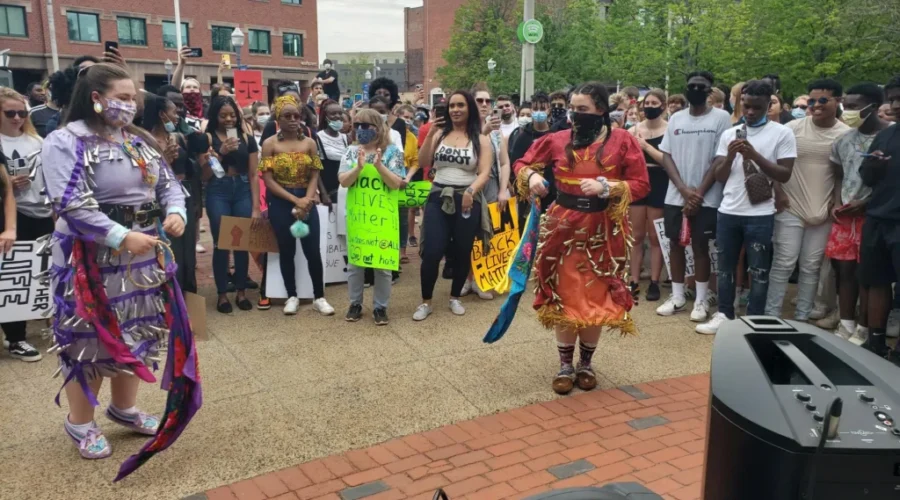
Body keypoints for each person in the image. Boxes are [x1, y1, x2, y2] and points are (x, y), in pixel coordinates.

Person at [41, 63, 198, 463]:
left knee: (138, 329)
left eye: (133, 99)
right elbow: (69, 202)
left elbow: (168, 184)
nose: (131, 106)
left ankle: (124, 408)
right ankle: (80, 421)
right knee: (87, 340)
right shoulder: (65, 141)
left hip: (142, 253)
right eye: (123, 98)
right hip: (90, 256)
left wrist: (176, 210)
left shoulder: (137, 140)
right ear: (96, 98)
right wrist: (118, 236)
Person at [514, 81, 650, 394]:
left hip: (604, 230)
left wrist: (609, 188)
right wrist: (532, 176)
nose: (575, 115)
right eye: (573, 109)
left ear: (601, 110)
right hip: (562, 227)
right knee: (564, 293)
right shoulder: (556, 138)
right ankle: (564, 365)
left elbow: (641, 184)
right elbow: (523, 163)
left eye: (582, 110)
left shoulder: (624, 140)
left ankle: (586, 364)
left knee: (596, 296)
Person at [696, 80, 797, 335]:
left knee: (759, 269)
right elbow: (719, 176)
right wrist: (730, 156)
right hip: (728, 211)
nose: (750, 112)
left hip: (760, 213)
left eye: (757, 108)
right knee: (725, 266)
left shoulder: (782, 133)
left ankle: (755, 319)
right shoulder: (730, 133)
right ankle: (724, 314)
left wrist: (755, 156)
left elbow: (784, 174)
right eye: (747, 106)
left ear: (768, 105)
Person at [765, 79, 850, 320]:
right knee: (783, 263)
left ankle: (802, 317)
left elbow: (841, 175)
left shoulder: (845, 135)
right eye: (812, 100)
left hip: (823, 210)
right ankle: (771, 315)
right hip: (789, 206)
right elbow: (775, 164)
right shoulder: (792, 128)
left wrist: (835, 202)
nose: (815, 105)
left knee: (811, 267)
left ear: (838, 101)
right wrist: (778, 192)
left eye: (823, 100)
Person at [656, 71, 732, 322]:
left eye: (701, 87)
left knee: (700, 247)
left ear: (709, 91)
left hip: (707, 197)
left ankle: (701, 299)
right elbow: (666, 155)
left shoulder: (721, 118)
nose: (696, 90)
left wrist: (697, 193)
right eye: (692, 86)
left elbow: (720, 158)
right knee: (676, 245)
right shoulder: (676, 118)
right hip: (676, 195)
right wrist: (683, 189)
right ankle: (678, 295)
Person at [414, 90, 492, 321]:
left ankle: (454, 297)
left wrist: (470, 191)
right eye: (451, 106)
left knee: (461, 250)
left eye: (460, 105)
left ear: (469, 108)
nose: (455, 110)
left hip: (467, 199)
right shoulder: (439, 135)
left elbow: (485, 172)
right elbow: (423, 163)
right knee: (432, 252)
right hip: (439, 196)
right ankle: (425, 301)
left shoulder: (481, 139)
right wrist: (431, 134)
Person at [825, 83, 890, 342]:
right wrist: (835, 201)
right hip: (844, 215)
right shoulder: (843, 140)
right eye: (846, 105)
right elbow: (839, 176)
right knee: (845, 271)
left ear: (872, 107)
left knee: (869, 274)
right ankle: (846, 323)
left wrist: (866, 202)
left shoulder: (888, 137)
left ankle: (865, 327)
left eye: (853, 107)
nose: (847, 111)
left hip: (874, 214)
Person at [260, 95, 334, 316]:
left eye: (297, 116)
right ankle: (291, 295)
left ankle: (319, 297)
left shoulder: (309, 143)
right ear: (278, 118)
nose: (293, 120)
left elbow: (315, 174)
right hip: (282, 202)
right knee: (286, 250)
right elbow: (268, 179)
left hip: (307, 199)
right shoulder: (269, 144)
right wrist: (295, 201)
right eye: (287, 116)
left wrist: (307, 200)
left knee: (313, 251)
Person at [339, 109, 406, 324]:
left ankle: (380, 307)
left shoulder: (392, 152)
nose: (360, 130)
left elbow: (396, 183)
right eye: (357, 125)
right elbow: (343, 181)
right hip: (360, 218)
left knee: (383, 267)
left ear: (377, 128)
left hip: (383, 218)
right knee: (355, 265)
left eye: (366, 125)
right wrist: (358, 168)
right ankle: (355, 303)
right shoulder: (351, 152)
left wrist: (379, 166)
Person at [0, 88, 51, 361]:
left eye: (22, 112)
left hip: (42, 211)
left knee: (43, 271)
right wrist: (7, 184)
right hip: (12, 215)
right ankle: (15, 337)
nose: (17, 117)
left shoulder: (36, 140)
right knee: (12, 276)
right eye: (10, 113)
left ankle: (43, 325)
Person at [204, 96, 261, 313]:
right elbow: (205, 174)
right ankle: (221, 294)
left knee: (241, 242)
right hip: (218, 189)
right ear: (215, 116)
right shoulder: (208, 138)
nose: (228, 119)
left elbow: (254, 173)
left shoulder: (247, 137)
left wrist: (256, 207)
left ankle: (241, 291)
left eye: (232, 115)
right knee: (222, 243)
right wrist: (221, 153)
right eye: (223, 115)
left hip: (243, 189)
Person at [857, 75, 900, 365]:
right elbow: (867, 176)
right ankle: (875, 343)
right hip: (878, 217)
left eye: (899, 99)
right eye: (891, 99)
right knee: (875, 282)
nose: (895, 105)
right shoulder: (886, 134)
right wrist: (872, 167)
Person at [140, 94, 199, 294]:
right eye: (174, 111)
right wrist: (164, 160)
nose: (177, 115)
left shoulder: (178, 137)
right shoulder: (144, 141)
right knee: (167, 248)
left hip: (182, 197)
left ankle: (186, 292)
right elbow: (146, 177)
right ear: (161, 114)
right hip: (157, 201)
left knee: (186, 248)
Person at [628, 89, 669, 302]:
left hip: (659, 181)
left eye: (654, 102)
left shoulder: (670, 130)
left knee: (655, 236)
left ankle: (654, 280)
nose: (650, 106)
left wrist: (645, 146)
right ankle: (633, 280)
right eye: (647, 103)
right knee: (636, 236)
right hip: (638, 181)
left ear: (663, 105)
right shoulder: (633, 129)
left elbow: (668, 161)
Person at [509, 91, 556, 225]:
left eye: (542, 108)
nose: (539, 112)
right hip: (527, 198)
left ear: (549, 110)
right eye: (535, 109)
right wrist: (524, 191)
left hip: (551, 197)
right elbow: (515, 166)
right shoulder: (522, 137)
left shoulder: (556, 135)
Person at [316, 99, 349, 201]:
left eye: (340, 113)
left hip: (344, 190)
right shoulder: (318, 137)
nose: (337, 116)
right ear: (325, 117)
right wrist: (323, 193)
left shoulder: (345, 138)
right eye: (333, 114)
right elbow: (315, 170)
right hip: (327, 192)